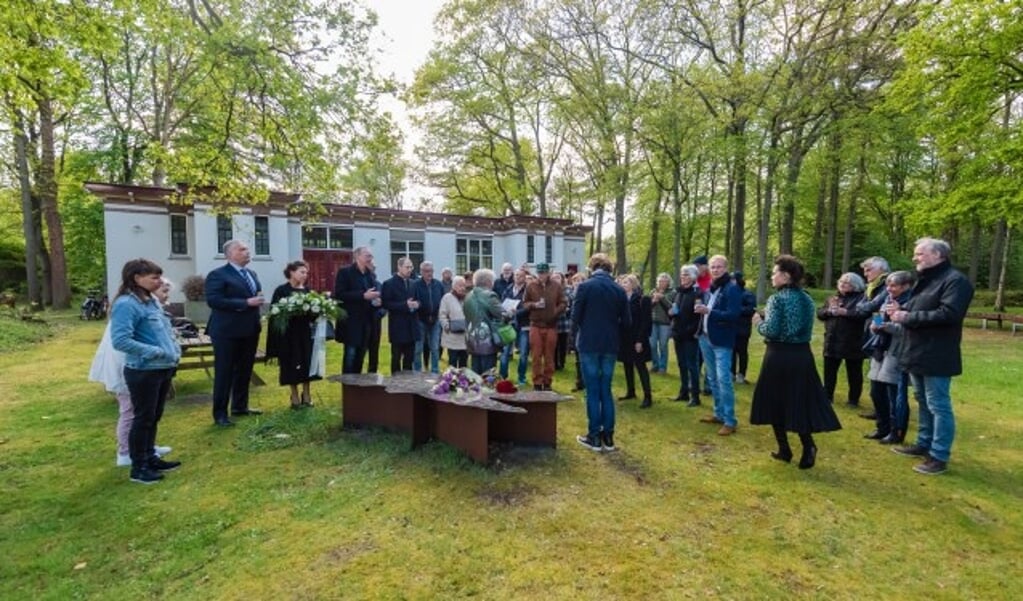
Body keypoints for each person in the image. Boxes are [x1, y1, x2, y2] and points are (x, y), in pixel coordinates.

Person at [890, 237, 974, 475]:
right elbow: (921, 309)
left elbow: (948, 314)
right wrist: (902, 311)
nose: (915, 258)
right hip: (917, 350)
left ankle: (939, 455)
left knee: (938, 404)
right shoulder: (925, 279)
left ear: (938, 255)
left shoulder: (956, 281)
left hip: (937, 353)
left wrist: (908, 318)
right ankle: (923, 443)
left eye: (920, 254)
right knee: (923, 400)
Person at [750, 255, 841, 470]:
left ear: (786, 276)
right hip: (802, 355)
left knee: (774, 401)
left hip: (779, 355)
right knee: (798, 401)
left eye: (774, 273)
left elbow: (772, 330)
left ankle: (785, 449)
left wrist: (759, 323)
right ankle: (808, 446)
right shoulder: (807, 298)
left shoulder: (777, 299)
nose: (772, 277)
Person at [109, 259, 182, 484]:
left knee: (153, 416)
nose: (159, 281)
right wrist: (155, 352)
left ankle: (150, 456)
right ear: (136, 278)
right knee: (142, 419)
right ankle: (139, 467)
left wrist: (173, 350)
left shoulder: (150, 302)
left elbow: (164, 330)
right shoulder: (126, 304)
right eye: (154, 277)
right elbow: (120, 340)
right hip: (144, 370)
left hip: (162, 368)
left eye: (159, 276)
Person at [90, 279, 174, 468]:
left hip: (143, 366)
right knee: (131, 411)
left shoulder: (148, 308)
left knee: (148, 413)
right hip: (128, 366)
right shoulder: (129, 307)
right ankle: (125, 452)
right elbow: (121, 343)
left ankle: (146, 447)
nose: (166, 296)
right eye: (164, 291)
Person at [573, 253, 630, 452]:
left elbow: (575, 316)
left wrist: (575, 339)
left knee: (593, 390)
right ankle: (609, 437)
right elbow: (627, 322)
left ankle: (594, 436)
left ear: (592, 267)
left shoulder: (585, 286)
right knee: (606, 388)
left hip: (589, 343)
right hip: (610, 345)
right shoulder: (619, 290)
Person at [205, 240, 264, 427]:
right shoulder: (218, 275)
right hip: (226, 332)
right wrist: (245, 303)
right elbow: (214, 300)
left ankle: (240, 406)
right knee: (225, 373)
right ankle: (220, 413)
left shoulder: (251, 274)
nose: (247, 252)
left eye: (247, 249)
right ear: (229, 254)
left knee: (245, 370)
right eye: (242, 249)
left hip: (249, 330)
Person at [864, 271, 915, 444]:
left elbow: (907, 329)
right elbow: (878, 316)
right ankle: (882, 427)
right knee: (876, 392)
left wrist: (888, 326)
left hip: (897, 351)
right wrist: (875, 325)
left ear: (905, 286)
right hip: (880, 347)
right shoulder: (887, 299)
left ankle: (896, 432)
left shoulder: (911, 302)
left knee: (895, 395)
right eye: (888, 285)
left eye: (893, 286)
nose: (889, 289)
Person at [694, 255, 742, 436]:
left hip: (722, 340)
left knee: (724, 380)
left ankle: (730, 420)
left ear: (726, 268)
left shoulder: (732, 288)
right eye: (712, 267)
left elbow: (733, 315)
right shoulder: (710, 288)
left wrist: (709, 311)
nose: (715, 270)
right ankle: (718, 413)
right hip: (705, 337)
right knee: (712, 379)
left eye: (719, 267)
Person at [265, 260, 321, 410]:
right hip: (288, 336)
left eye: (306, 273)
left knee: (306, 362)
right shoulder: (281, 291)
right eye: (302, 272)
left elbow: (313, 315)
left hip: (305, 334)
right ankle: (294, 394)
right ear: (291, 272)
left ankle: (307, 393)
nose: (305, 275)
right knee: (290, 363)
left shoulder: (308, 291)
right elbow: (275, 314)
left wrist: (318, 310)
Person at [816, 272, 869, 407]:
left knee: (854, 372)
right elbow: (820, 313)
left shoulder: (862, 298)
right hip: (832, 340)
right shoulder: (833, 298)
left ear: (855, 285)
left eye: (846, 282)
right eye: (841, 282)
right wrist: (829, 311)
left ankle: (853, 400)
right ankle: (827, 397)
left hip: (853, 341)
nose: (842, 284)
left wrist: (845, 312)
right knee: (829, 371)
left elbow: (863, 315)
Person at [333, 246, 382, 374]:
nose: (370, 259)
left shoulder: (369, 275)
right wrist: (362, 295)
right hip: (351, 322)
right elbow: (339, 294)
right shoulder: (345, 272)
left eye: (371, 256)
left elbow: (371, 294)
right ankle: (348, 388)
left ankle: (357, 388)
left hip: (367, 322)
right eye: (367, 256)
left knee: (361, 355)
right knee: (351, 355)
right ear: (357, 256)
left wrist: (375, 301)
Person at [522, 262, 566, 391]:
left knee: (549, 355)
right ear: (537, 273)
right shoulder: (530, 286)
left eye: (544, 273)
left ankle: (547, 381)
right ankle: (537, 382)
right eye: (540, 273)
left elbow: (563, 302)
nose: (542, 275)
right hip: (535, 324)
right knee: (536, 355)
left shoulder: (556, 286)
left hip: (551, 325)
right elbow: (524, 303)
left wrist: (555, 311)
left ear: (549, 273)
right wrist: (534, 305)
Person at [619, 274, 653, 408]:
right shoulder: (621, 299)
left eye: (626, 282)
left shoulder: (642, 299)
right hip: (625, 338)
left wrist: (640, 340)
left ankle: (648, 396)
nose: (624, 284)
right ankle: (630, 391)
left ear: (633, 283)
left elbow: (646, 322)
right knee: (627, 364)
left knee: (640, 366)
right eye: (622, 282)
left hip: (638, 337)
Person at [381, 257, 421, 373]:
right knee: (396, 359)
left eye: (411, 267)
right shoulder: (389, 284)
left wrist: (417, 304)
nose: (410, 270)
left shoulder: (414, 283)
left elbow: (419, 300)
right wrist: (405, 305)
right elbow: (386, 303)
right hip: (397, 327)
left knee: (409, 359)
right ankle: (395, 384)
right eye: (407, 267)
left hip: (412, 327)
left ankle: (407, 386)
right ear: (399, 267)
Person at [463, 268, 506, 373]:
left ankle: (475, 389)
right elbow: (503, 314)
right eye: (492, 280)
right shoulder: (489, 295)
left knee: (475, 372)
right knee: (488, 374)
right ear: (488, 281)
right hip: (487, 340)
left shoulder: (468, 296)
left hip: (471, 338)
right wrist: (511, 312)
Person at [670, 265, 702, 407]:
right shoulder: (678, 292)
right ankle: (684, 392)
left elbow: (697, 318)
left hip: (689, 336)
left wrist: (690, 331)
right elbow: (675, 312)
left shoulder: (697, 293)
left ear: (694, 277)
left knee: (691, 365)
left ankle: (695, 396)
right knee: (681, 364)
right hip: (678, 334)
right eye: (682, 275)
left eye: (687, 275)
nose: (683, 277)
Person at [499, 267, 530, 385]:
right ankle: (502, 376)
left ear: (525, 277)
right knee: (505, 352)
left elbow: (528, 306)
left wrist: (517, 311)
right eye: (516, 275)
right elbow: (502, 302)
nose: (518, 277)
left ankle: (521, 377)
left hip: (524, 324)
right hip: (509, 324)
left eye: (520, 275)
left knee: (523, 353)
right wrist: (505, 310)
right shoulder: (508, 289)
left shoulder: (528, 290)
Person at [413, 261, 445, 373]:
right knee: (418, 348)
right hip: (420, 320)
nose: (429, 273)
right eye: (426, 271)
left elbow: (443, 302)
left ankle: (435, 371)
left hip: (435, 320)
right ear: (421, 272)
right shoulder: (415, 285)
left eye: (431, 271)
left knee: (435, 347)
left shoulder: (439, 285)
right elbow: (413, 301)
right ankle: (417, 370)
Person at [439, 275, 469, 368]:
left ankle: (463, 381)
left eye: (464, 285)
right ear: (454, 286)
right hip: (452, 336)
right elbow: (442, 315)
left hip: (465, 337)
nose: (462, 288)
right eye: (460, 285)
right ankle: (452, 381)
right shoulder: (447, 298)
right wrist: (447, 326)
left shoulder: (467, 298)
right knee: (452, 363)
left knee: (464, 363)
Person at [649, 272, 676, 374]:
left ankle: (662, 367)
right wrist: (654, 300)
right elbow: (648, 307)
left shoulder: (672, 292)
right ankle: (655, 364)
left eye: (664, 281)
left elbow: (671, 307)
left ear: (668, 282)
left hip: (665, 322)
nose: (662, 283)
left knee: (663, 345)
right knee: (652, 344)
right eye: (660, 281)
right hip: (653, 321)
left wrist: (662, 298)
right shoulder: (653, 292)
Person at [732, 271, 756, 384]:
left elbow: (751, 310)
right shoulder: (730, 293)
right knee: (731, 352)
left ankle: (741, 374)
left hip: (743, 329)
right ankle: (731, 373)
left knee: (742, 352)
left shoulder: (748, 294)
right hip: (731, 328)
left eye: (732, 280)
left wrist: (736, 309)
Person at [552, 271, 573, 371]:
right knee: (553, 344)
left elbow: (569, 302)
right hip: (553, 321)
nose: (556, 279)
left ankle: (562, 362)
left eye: (558, 277)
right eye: (554, 277)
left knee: (563, 343)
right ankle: (554, 363)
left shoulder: (567, 290)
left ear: (561, 279)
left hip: (564, 321)